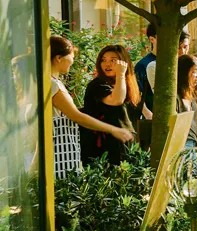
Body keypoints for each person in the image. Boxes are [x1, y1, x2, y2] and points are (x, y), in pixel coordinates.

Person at [50, 36, 134, 178]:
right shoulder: (53, 84)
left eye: (113, 60)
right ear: (59, 58)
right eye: (71, 56)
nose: (73, 60)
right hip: (92, 147)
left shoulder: (54, 82)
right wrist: (114, 130)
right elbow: (76, 115)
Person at [79, 45, 142, 166]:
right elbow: (116, 100)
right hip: (102, 148)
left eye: (113, 60)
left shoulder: (127, 84)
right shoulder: (98, 85)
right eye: (103, 60)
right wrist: (120, 75)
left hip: (125, 142)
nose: (107, 64)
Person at [176, 54, 197, 149]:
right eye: (194, 72)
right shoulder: (175, 97)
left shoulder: (191, 96)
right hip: (180, 143)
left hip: (192, 142)